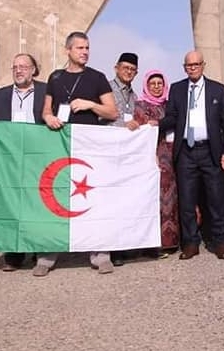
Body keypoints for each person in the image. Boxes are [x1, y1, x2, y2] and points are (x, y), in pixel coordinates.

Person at [41, 31, 119, 275]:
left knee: (92, 196)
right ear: (68, 50)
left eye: (87, 48)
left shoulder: (97, 77)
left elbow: (112, 112)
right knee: (56, 193)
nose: (85, 52)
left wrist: (91, 104)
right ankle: (48, 253)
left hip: (90, 146)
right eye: (80, 48)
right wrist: (49, 117)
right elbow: (46, 110)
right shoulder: (55, 77)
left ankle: (100, 253)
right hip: (60, 144)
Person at [159, 50, 224, 260]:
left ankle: (220, 242)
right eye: (188, 65)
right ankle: (191, 243)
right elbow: (171, 117)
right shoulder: (177, 89)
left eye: (196, 64)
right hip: (186, 151)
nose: (192, 68)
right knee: (186, 201)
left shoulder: (217, 89)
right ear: (184, 68)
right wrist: (154, 124)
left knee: (216, 199)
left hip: (210, 151)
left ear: (203, 65)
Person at [0, 53, 47, 272]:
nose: (18, 70)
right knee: (12, 205)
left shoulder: (46, 92)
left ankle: (39, 249)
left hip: (38, 157)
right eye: (15, 67)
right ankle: (14, 254)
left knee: (36, 203)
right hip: (9, 160)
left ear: (33, 70)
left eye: (23, 66)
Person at [126, 70, 179, 257]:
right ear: (146, 86)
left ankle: (170, 241)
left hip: (172, 157)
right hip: (152, 156)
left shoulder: (170, 105)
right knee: (153, 199)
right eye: (152, 84)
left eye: (159, 84)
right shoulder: (141, 106)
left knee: (172, 198)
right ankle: (152, 243)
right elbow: (141, 133)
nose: (156, 87)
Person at [106, 52, 138, 266]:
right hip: (108, 153)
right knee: (110, 200)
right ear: (116, 67)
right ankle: (110, 247)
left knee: (125, 200)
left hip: (126, 155)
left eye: (132, 69)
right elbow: (100, 115)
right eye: (125, 67)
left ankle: (122, 244)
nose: (128, 72)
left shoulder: (134, 96)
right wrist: (123, 126)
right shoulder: (106, 89)